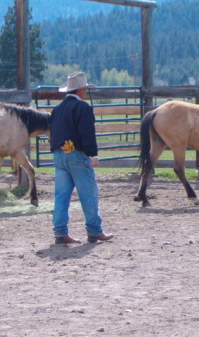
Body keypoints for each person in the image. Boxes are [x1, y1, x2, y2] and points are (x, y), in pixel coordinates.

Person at [50, 72, 114, 244]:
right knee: (89, 193)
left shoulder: (57, 109)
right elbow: (87, 133)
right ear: (80, 91)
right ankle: (94, 231)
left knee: (61, 195)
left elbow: (54, 133)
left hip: (59, 154)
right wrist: (93, 154)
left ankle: (60, 232)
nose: (85, 92)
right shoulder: (83, 108)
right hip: (77, 155)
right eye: (85, 89)